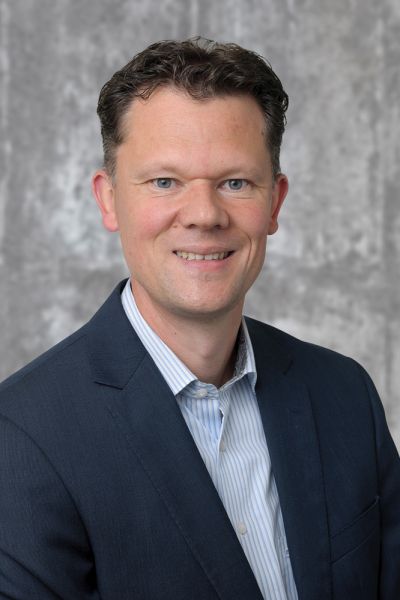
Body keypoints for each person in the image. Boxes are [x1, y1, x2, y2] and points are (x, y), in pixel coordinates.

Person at [0, 37, 399, 600]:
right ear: (108, 199)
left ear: (275, 201)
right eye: (165, 182)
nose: (205, 215)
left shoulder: (344, 396)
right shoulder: (20, 438)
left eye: (235, 183)